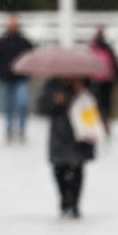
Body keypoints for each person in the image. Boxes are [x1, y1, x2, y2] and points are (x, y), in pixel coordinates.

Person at [38, 77, 95, 218]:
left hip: (80, 134)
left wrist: (82, 90)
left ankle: (75, 203)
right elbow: (42, 107)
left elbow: (98, 104)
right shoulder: (53, 85)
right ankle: (64, 200)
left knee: (77, 169)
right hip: (59, 135)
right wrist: (55, 102)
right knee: (59, 169)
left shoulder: (86, 83)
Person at [0, 15, 34, 143]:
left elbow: (31, 58)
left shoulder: (24, 42)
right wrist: (1, 72)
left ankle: (21, 129)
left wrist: (26, 73)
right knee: (8, 106)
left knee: (22, 104)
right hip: (7, 79)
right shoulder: (1, 42)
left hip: (20, 79)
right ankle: (9, 129)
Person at [88, 26, 118, 134]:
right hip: (102, 81)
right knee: (103, 105)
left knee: (100, 105)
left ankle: (102, 125)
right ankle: (103, 125)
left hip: (99, 81)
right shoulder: (104, 48)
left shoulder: (96, 47)